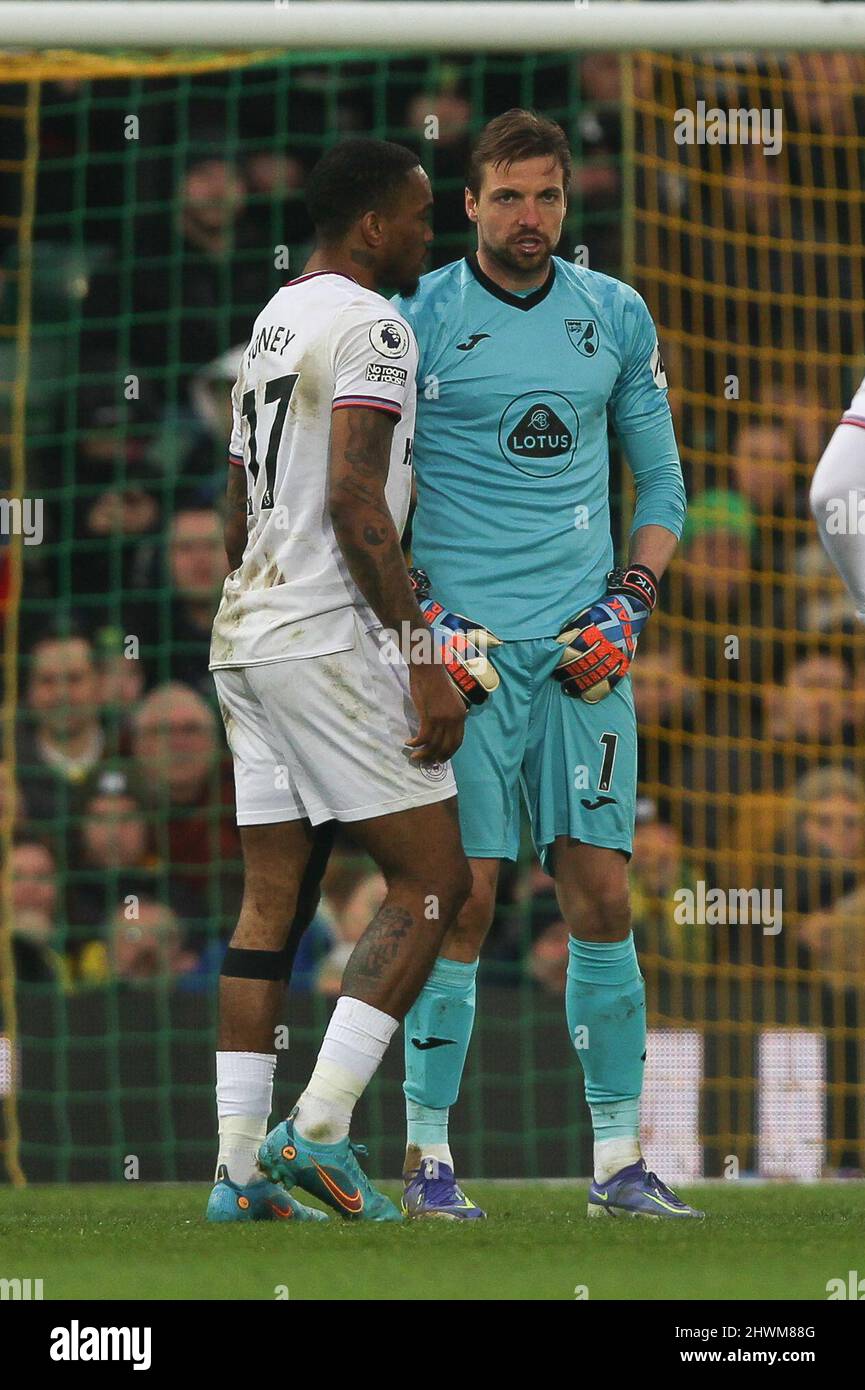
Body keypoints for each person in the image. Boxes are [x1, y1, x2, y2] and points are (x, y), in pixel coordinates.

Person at [391, 108, 700, 1220]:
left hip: (582, 649)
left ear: (569, 202)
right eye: (509, 196)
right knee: (460, 900)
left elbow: (661, 486)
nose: (531, 217)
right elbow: (373, 498)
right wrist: (428, 622)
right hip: (462, 655)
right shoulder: (411, 315)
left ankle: (618, 1161)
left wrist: (633, 599)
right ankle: (429, 1159)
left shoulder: (614, 313)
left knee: (603, 896)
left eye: (549, 196)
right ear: (468, 204)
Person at [206, 137, 482, 1225]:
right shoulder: (374, 325)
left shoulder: (275, 320)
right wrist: (421, 663)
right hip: (324, 633)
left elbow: (243, 493)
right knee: (436, 882)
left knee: (271, 898)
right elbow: (356, 505)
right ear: (373, 226)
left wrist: (256, 608)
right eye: (420, 217)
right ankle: (317, 1133)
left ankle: (233, 1177)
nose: (431, 233)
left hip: (247, 632)